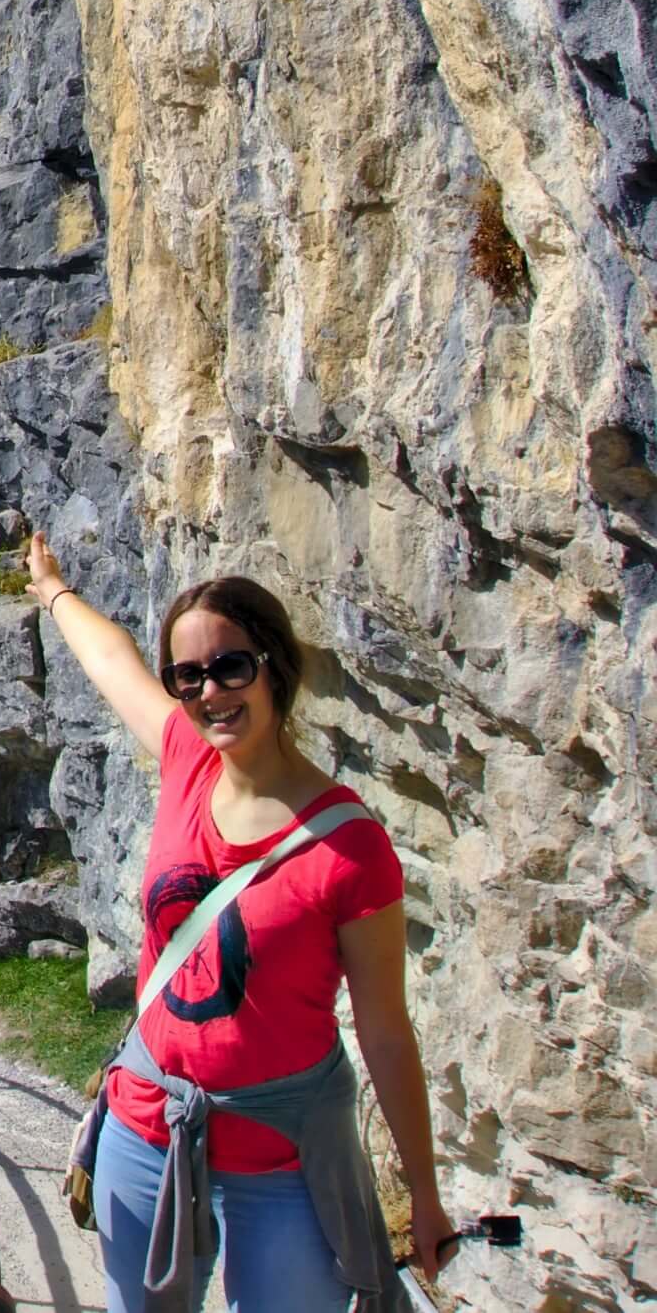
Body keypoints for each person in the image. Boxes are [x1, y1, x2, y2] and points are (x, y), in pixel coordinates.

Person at [23, 543, 450, 1313]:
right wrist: (54, 591)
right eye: (187, 676)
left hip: (281, 1158)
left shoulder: (349, 849)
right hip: (148, 1124)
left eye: (230, 668)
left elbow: (386, 1034)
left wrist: (423, 1193)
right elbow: (110, 658)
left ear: (275, 666)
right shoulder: (188, 758)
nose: (209, 692)